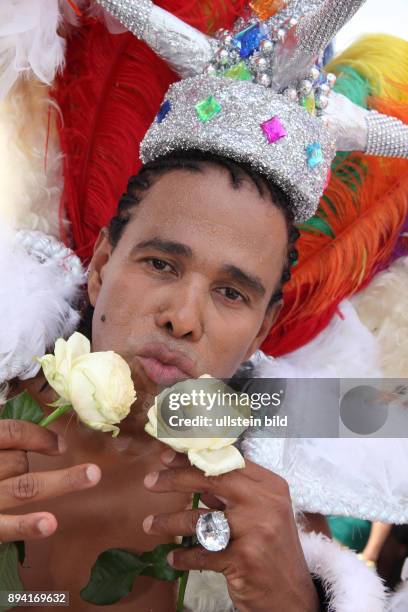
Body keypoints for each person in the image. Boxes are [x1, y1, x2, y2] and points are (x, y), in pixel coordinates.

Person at [1, 0, 408, 610]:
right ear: (102, 264)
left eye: (231, 293)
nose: (183, 319)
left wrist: (299, 599)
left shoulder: (283, 468)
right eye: (160, 263)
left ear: (263, 328)